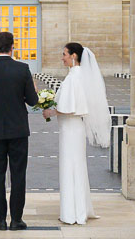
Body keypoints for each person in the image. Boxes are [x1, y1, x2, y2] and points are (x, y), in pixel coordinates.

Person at [0, 31, 39, 231]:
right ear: (13, 47)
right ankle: (17, 219)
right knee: (18, 174)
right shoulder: (22, 69)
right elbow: (32, 100)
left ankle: (0, 219)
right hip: (18, 128)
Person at [43, 43, 111, 225]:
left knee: (70, 167)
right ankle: (78, 208)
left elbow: (70, 108)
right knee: (76, 167)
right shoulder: (77, 75)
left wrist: (51, 112)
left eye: (64, 54)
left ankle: (72, 213)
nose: (62, 57)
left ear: (74, 56)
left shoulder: (75, 77)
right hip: (72, 129)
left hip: (71, 129)